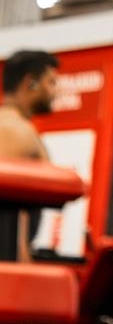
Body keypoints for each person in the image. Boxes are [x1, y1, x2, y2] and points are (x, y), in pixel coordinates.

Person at [0, 49, 57, 262]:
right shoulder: (12, 130)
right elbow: (8, 209)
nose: (55, 91)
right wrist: (22, 260)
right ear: (31, 82)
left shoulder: (18, 126)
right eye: (51, 83)